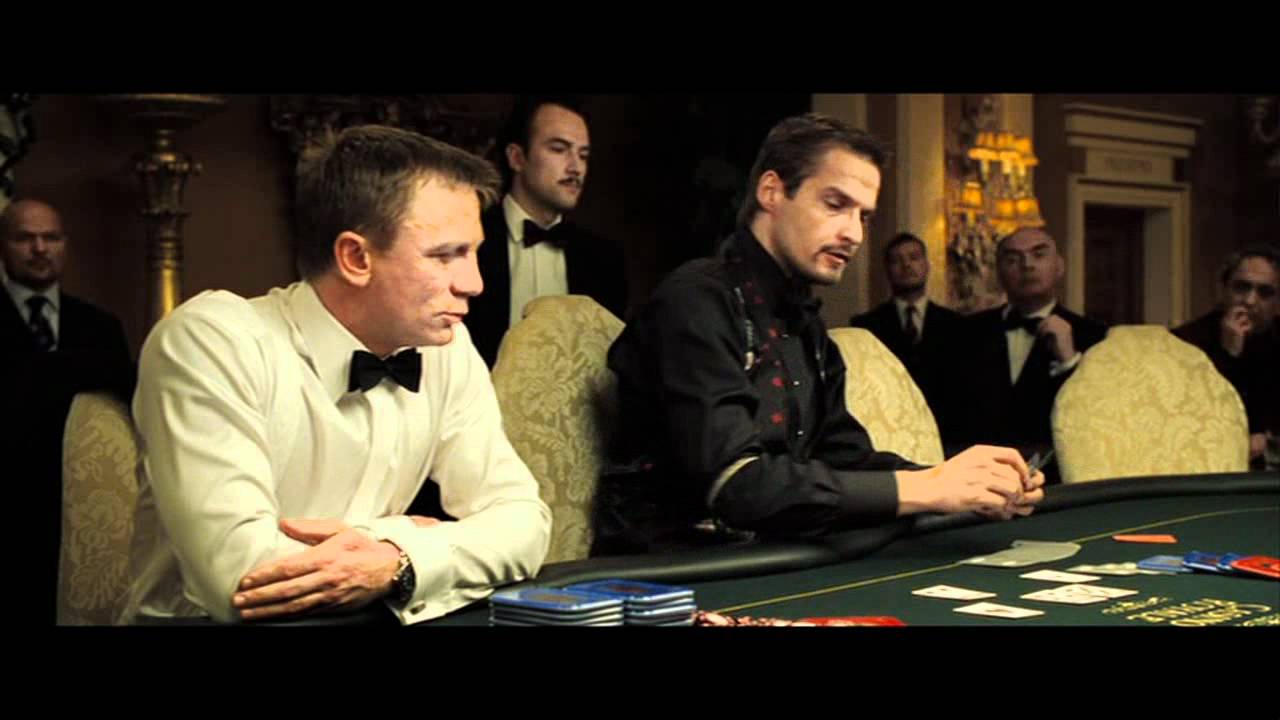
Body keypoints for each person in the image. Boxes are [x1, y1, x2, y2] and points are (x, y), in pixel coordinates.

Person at [120, 125, 551, 625]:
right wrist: (407, 534)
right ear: (356, 258)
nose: (473, 283)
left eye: (473, 252)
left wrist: (396, 558)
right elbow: (247, 579)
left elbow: (525, 523)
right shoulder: (210, 342)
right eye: (444, 255)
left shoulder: (446, 349)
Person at [595, 113, 1043, 556]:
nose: (854, 233)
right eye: (835, 204)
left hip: (774, 558)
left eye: (864, 216)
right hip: (670, 572)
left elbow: (846, 459)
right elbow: (737, 487)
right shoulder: (694, 300)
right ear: (772, 192)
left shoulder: (807, 324)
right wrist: (930, 488)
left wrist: (970, 483)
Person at [1, 197, 135, 623]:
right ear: (3, 245)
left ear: (65, 245)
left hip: (79, 512)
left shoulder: (100, 326)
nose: (39, 248)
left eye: (51, 237)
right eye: (25, 238)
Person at [469, 95, 628, 367]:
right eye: (559, 149)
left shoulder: (605, 259)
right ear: (517, 158)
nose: (576, 168)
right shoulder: (470, 240)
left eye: (583, 155)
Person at [956, 227, 1107, 483]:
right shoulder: (963, 333)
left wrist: (1069, 360)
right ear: (998, 273)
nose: (1027, 265)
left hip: (1060, 482)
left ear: (1059, 266)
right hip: (978, 479)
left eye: (1038, 255)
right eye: (1013, 258)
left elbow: (1097, 420)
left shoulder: (1094, 335)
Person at [850, 231, 968, 452]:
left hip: (949, 437)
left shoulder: (957, 325)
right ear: (887, 270)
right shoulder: (866, 326)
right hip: (889, 438)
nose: (907, 265)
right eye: (897, 260)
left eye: (914, 257)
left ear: (927, 264)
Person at [1174, 243, 1280, 465]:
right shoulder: (1186, 341)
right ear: (1223, 290)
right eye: (1241, 287)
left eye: (1265, 292)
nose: (1250, 301)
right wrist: (1230, 355)